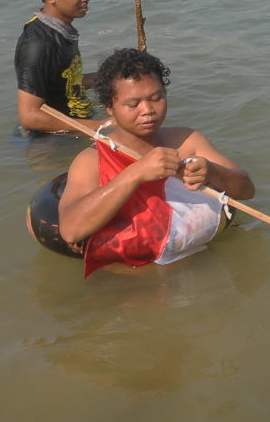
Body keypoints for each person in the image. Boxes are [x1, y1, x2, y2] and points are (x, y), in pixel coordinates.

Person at [26, 48, 255, 276]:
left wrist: (213, 173)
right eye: (133, 104)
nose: (148, 111)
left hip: (203, 266)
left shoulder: (187, 140)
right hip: (132, 280)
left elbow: (246, 190)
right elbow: (71, 231)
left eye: (156, 98)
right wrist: (136, 173)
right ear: (110, 108)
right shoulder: (91, 160)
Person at [14, 0, 96, 134]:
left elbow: (64, 83)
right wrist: (101, 127)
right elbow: (29, 116)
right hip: (51, 141)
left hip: (76, 126)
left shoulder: (61, 30)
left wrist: (112, 78)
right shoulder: (36, 44)